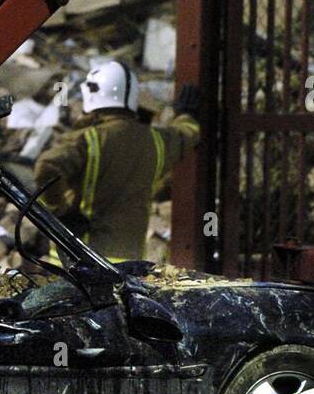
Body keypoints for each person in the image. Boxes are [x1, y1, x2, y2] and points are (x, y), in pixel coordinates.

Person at [33, 60, 201, 263]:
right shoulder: (156, 141)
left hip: (78, 259)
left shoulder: (88, 139)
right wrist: (186, 115)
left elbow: (47, 166)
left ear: (92, 94)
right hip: (128, 261)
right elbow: (185, 135)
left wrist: (59, 210)